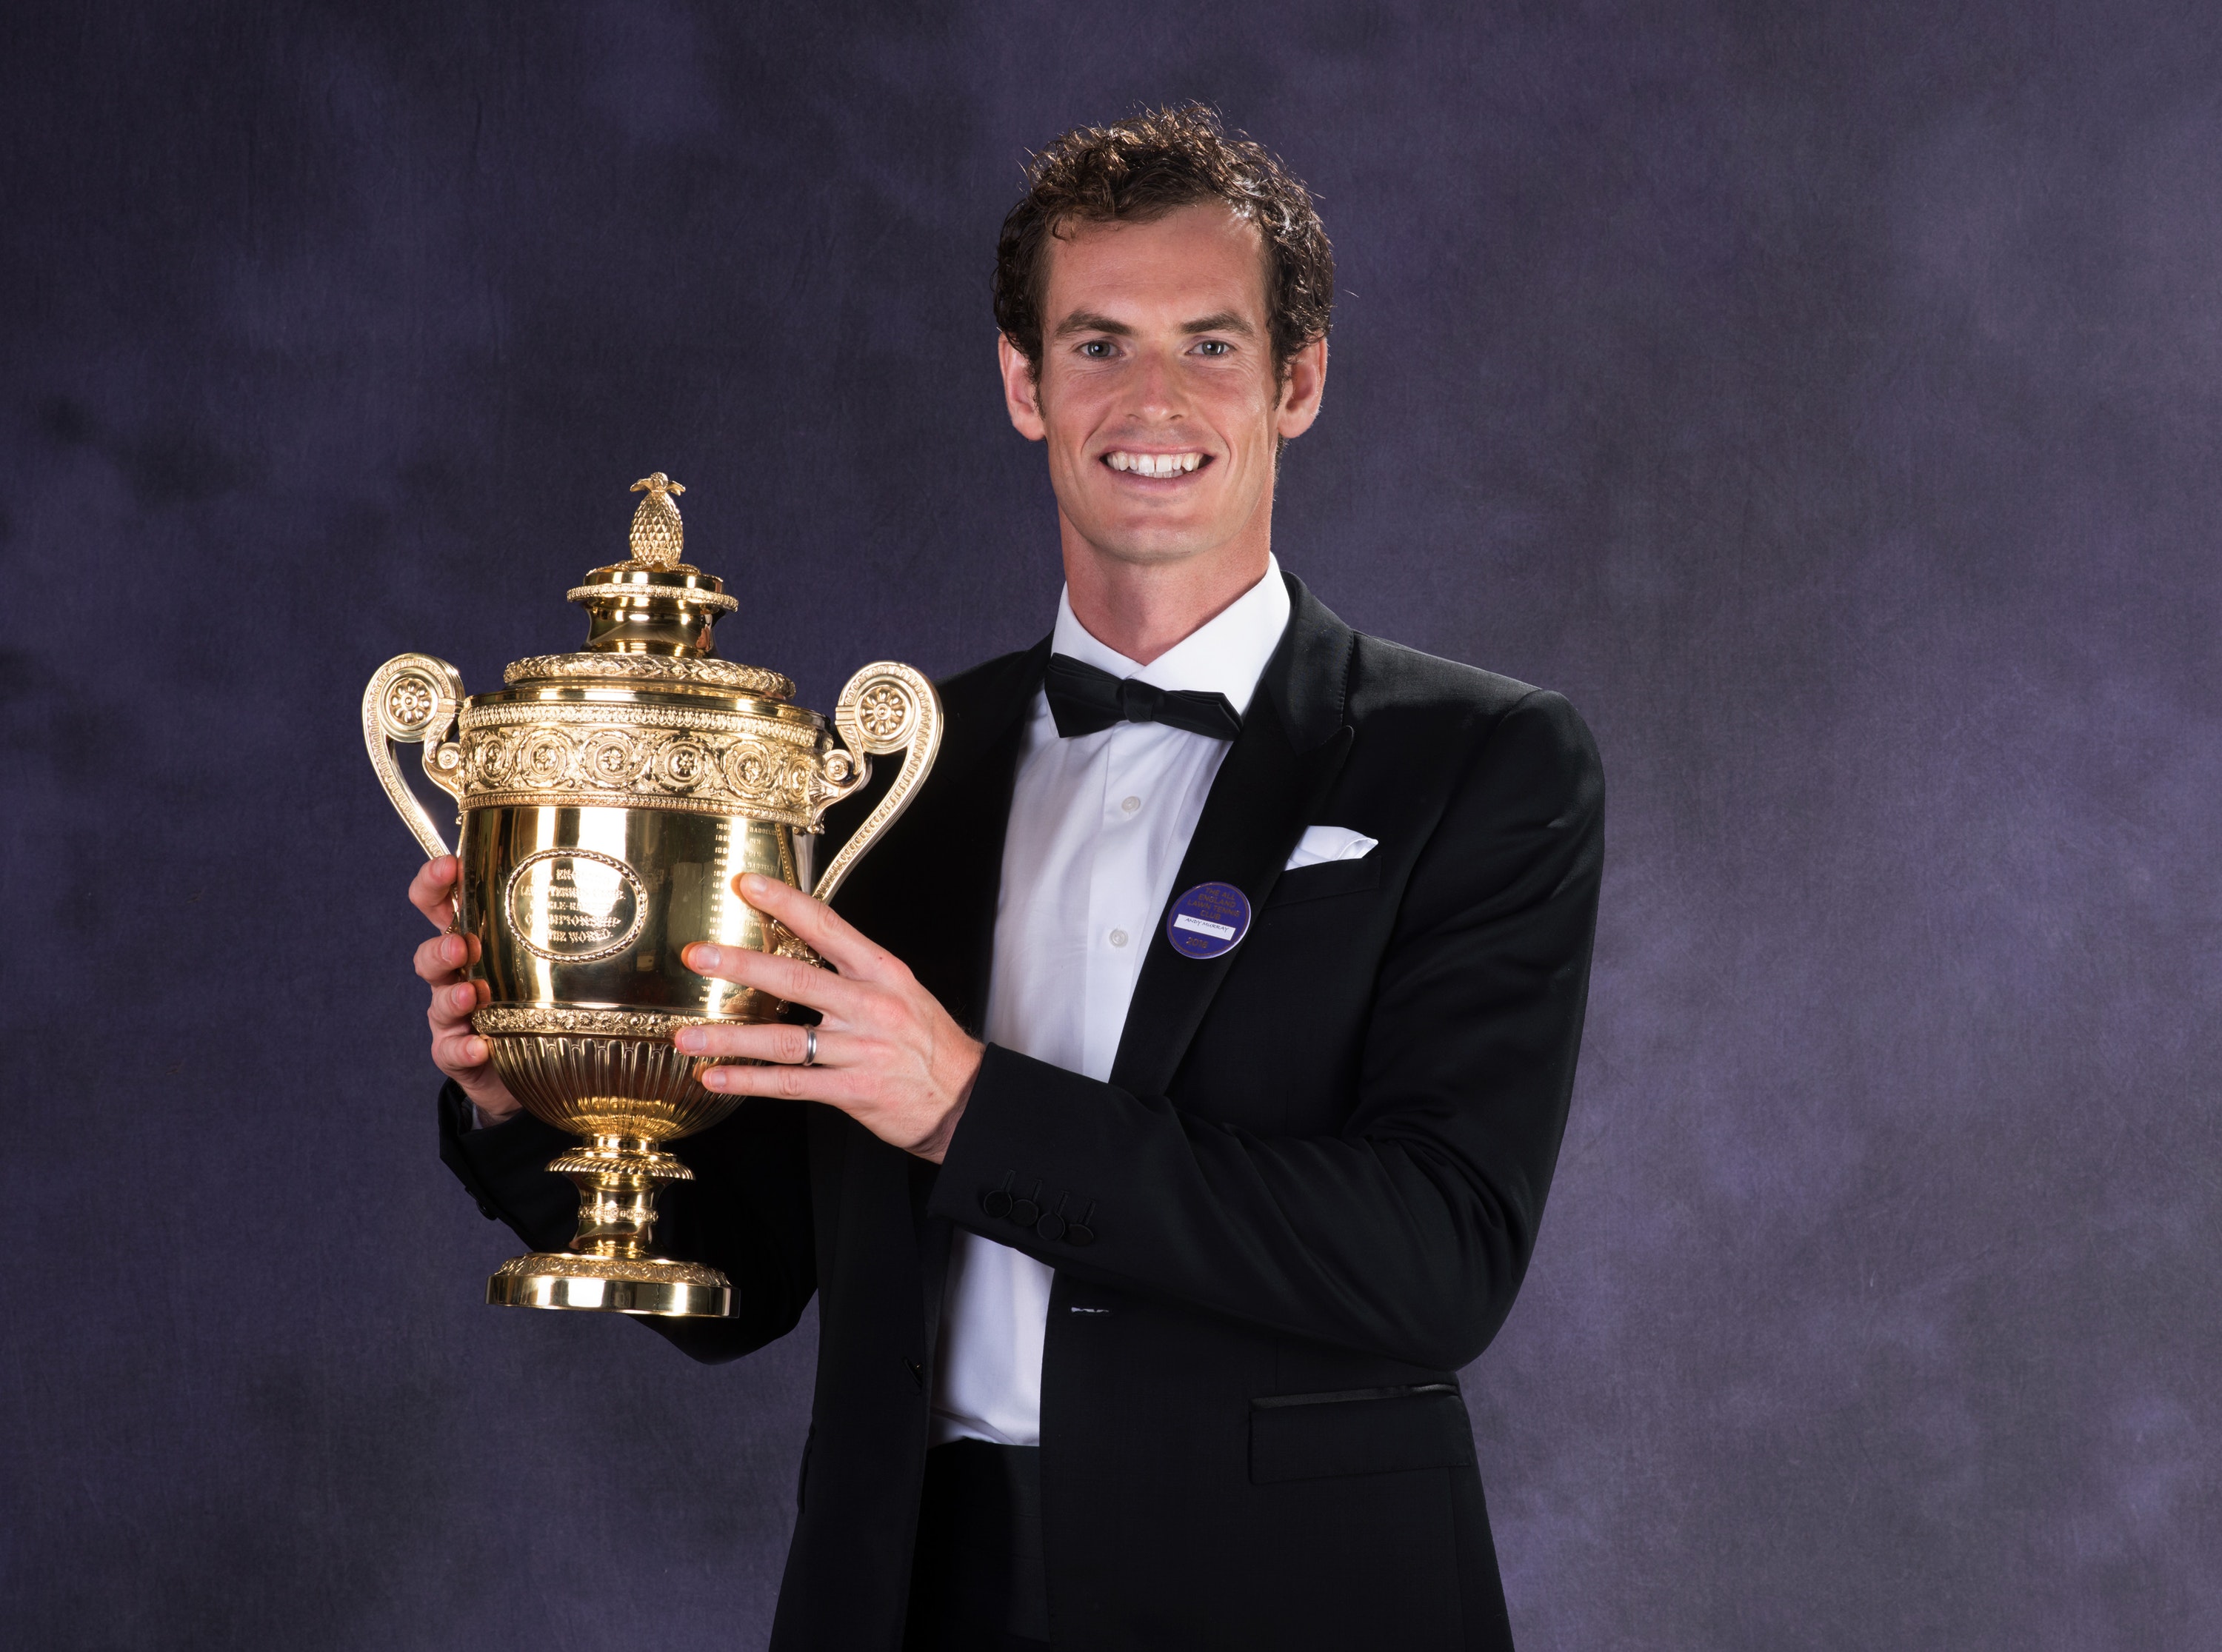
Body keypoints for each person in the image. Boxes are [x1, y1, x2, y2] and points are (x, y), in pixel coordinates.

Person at [410, 104, 1604, 1652]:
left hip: (1296, 1599)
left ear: (1296, 381)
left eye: (1211, 345)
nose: (1151, 399)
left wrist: (973, 1108)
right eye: (1097, 345)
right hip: (909, 1594)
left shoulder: (1481, 762)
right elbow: (753, 1283)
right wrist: (529, 1102)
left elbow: (1438, 1261)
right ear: (1022, 384)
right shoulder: (871, 778)